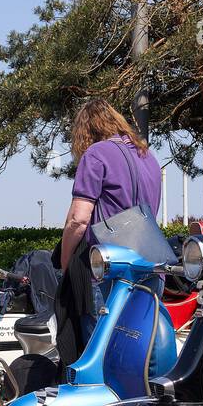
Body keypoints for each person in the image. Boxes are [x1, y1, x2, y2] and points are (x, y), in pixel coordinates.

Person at [59, 98, 162, 342]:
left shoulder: (96, 153)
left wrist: (65, 264)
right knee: (139, 348)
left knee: (103, 350)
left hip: (110, 267)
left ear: (86, 131)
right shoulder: (148, 156)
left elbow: (78, 220)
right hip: (151, 264)